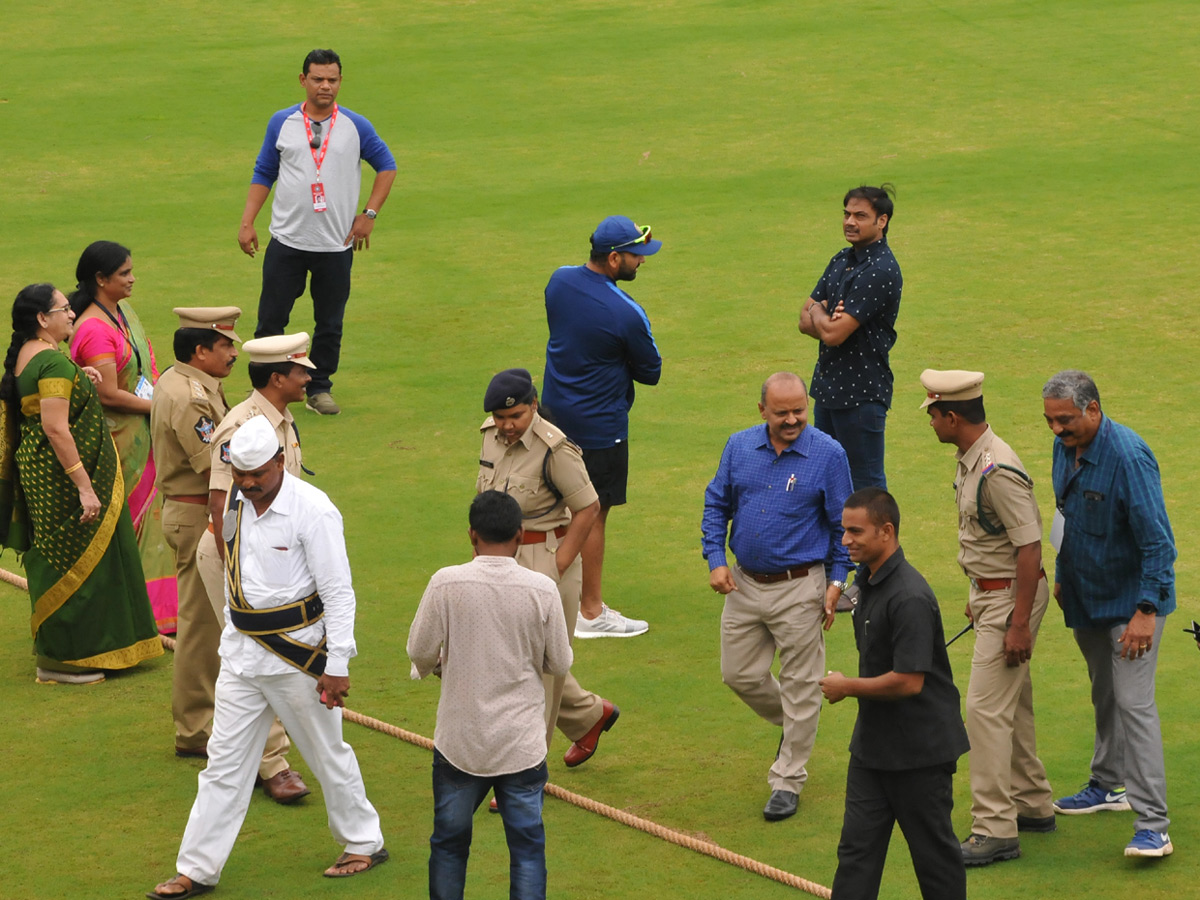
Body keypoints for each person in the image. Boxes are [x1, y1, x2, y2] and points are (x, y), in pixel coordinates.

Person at [147, 416, 387, 899]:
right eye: (240, 473)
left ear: (281, 461)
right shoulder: (235, 500)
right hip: (240, 657)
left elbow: (339, 594)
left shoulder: (313, 511)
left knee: (325, 754)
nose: (248, 482)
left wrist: (337, 664)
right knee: (222, 765)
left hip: (298, 659)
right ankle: (196, 869)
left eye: (257, 472)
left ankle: (364, 842)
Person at [701, 372, 852, 821]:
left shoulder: (828, 453)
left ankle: (787, 780)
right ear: (762, 410)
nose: (792, 420)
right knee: (739, 674)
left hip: (802, 586)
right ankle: (795, 727)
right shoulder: (738, 446)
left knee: (803, 685)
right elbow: (716, 504)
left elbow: (844, 526)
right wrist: (715, 559)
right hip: (743, 584)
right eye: (782, 411)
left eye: (799, 410)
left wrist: (838, 582)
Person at [408, 490, 573, 900]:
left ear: (471, 535)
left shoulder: (446, 582)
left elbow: (419, 651)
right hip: (521, 744)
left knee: (448, 845)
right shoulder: (542, 588)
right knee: (528, 851)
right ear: (520, 535)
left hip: (460, 741)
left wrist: (442, 665)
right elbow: (560, 662)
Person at [919, 369, 1054, 865]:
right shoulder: (973, 458)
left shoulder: (998, 470)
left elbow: (1030, 546)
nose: (930, 421)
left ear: (953, 417)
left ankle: (995, 828)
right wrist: (979, 595)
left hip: (1010, 599)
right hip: (993, 596)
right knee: (1011, 705)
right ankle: (1033, 803)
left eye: (933, 413)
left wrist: (1016, 622)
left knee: (983, 711)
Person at [1042, 370, 1176, 858]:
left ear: (1093, 409)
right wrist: (1061, 570)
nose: (1057, 430)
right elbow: (1066, 512)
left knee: (1134, 704)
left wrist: (1146, 611)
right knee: (1105, 695)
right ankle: (1109, 784)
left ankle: (1153, 825)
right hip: (1085, 596)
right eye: (1050, 421)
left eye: (1066, 420)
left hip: (1133, 602)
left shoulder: (1128, 457)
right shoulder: (1065, 447)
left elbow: (1159, 543)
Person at [0, 283, 161, 684]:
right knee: (74, 565)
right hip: (64, 480)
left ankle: (73, 653)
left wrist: (81, 377)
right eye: (64, 309)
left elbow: (45, 404)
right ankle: (68, 660)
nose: (72, 313)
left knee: (59, 560)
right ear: (42, 319)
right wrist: (86, 487)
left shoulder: (32, 355)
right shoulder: (51, 363)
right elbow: (56, 430)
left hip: (42, 476)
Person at [820, 487, 969, 900]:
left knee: (934, 860)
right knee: (855, 854)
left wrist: (847, 687)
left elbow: (909, 681)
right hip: (873, 750)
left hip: (921, 755)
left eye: (855, 531)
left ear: (886, 532)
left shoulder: (909, 597)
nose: (845, 540)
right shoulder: (866, 580)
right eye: (843, 530)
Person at [194, 332, 321, 802]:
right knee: (254, 654)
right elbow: (220, 503)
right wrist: (238, 576)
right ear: (277, 377)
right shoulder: (242, 426)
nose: (308, 377)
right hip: (239, 559)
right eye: (300, 371)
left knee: (274, 651)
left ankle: (250, 751)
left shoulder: (280, 419)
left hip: (277, 560)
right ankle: (273, 765)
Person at [237, 48, 397, 417]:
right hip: (287, 240)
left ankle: (319, 387)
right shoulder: (283, 122)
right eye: (318, 79)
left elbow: (386, 166)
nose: (326, 86)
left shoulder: (356, 126)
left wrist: (369, 213)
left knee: (329, 322)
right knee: (271, 318)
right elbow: (264, 171)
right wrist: (247, 221)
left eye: (333, 79)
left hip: (335, 244)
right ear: (303, 80)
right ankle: (264, 388)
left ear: (340, 81)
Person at [477, 369, 617, 768]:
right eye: (501, 418)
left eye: (516, 416)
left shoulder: (556, 450)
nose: (507, 426)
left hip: (545, 560)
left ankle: (523, 768)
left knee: (542, 669)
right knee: (506, 657)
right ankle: (590, 715)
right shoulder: (488, 434)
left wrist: (557, 565)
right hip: (497, 558)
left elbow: (588, 507)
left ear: (534, 406)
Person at [540, 215, 662, 639]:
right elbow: (651, 371)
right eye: (635, 255)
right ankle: (589, 612)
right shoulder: (626, 311)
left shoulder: (558, 281)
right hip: (600, 429)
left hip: (552, 421)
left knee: (555, 512)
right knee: (592, 514)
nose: (641, 262)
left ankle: (553, 602)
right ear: (613, 259)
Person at [68, 240, 177, 633]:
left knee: (154, 523)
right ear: (100, 279)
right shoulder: (94, 329)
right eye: (124, 274)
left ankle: (160, 610)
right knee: (134, 521)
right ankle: (137, 611)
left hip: (141, 432)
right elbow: (108, 394)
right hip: (118, 439)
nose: (132, 279)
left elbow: (142, 369)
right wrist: (163, 407)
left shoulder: (122, 311)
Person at [150, 308, 244, 758]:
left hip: (185, 511)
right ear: (200, 351)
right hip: (196, 516)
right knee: (201, 628)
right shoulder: (191, 397)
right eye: (225, 345)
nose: (234, 351)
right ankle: (195, 731)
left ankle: (200, 725)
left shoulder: (180, 380)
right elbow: (215, 464)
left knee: (203, 623)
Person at [798, 185, 902, 492]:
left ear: (882, 221)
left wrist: (819, 311)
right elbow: (803, 320)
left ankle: (881, 542)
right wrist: (823, 312)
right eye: (846, 214)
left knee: (867, 489)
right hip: (829, 392)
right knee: (827, 483)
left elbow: (832, 334)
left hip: (861, 396)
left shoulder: (880, 270)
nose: (849, 222)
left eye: (860, 215)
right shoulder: (842, 259)